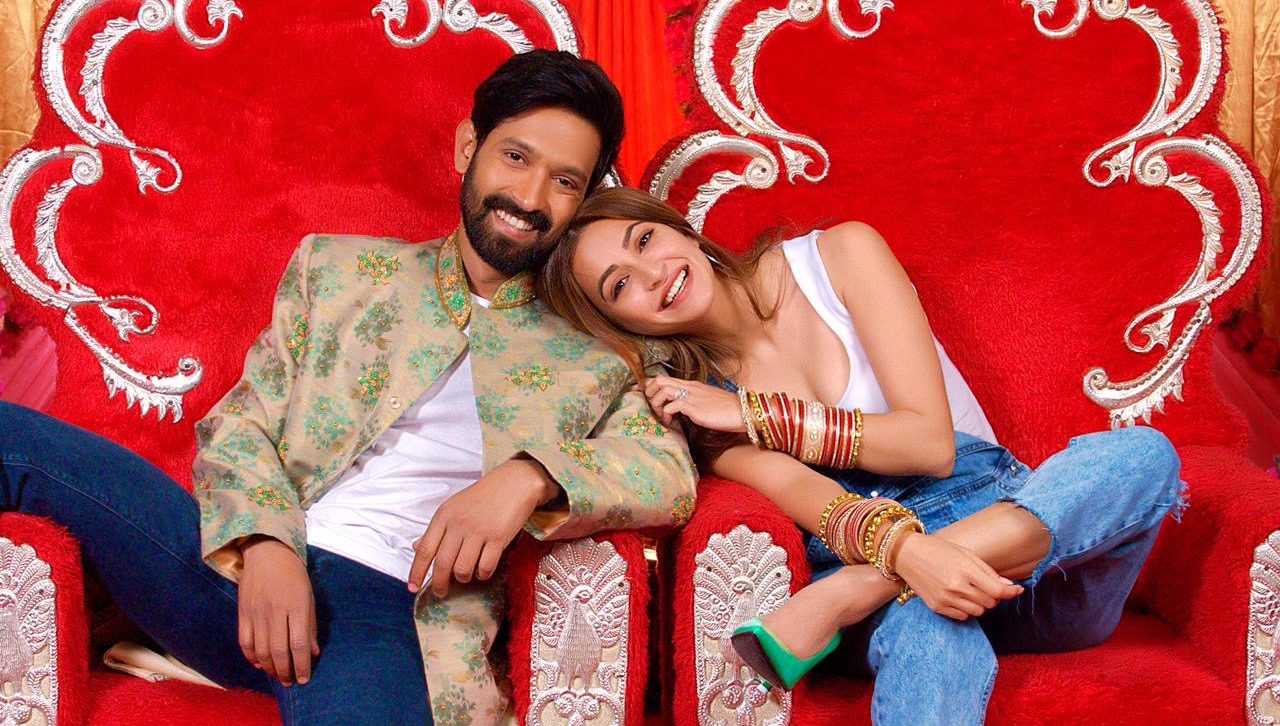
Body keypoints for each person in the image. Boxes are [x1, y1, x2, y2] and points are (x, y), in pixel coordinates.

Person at [0, 53, 697, 725]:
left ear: (584, 200)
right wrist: (268, 545)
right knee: (14, 438)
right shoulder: (338, 270)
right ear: (469, 147)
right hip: (233, 565)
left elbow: (667, 472)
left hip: (383, 607)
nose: (530, 198)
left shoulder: (598, 348)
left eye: (565, 181)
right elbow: (241, 424)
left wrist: (528, 477)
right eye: (516, 157)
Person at [536, 186, 1184, 724]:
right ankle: (880, 586)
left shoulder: (840, 255)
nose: (653, 274)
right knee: (928, 623)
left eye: (645, 240)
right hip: (871, 561)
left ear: (679, 228)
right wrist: (908, 558)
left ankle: (853, 593)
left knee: (1141, 455)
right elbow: (815, 501)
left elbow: (929, 446)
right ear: (621, 324)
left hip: (1015, 546)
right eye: (620, 286)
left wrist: (759, 418)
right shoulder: (694, 404)